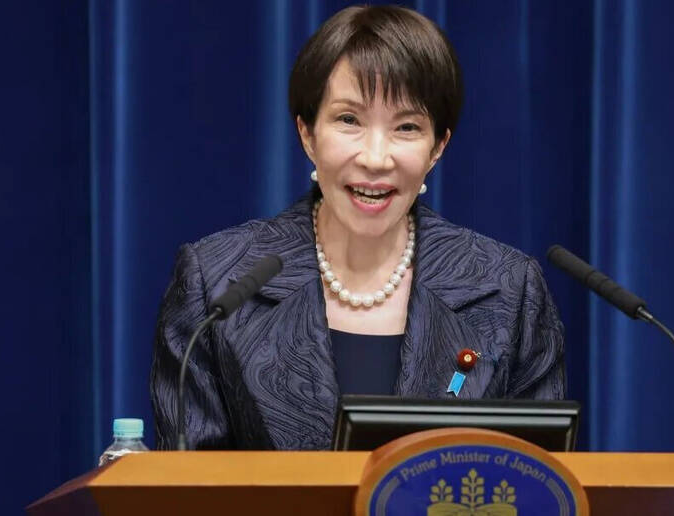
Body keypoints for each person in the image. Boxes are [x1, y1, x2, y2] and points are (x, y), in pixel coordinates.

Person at [151, 5, 565, 451]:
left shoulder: (508, 290)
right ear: (307, 133)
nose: (375, 158)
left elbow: (538, 474)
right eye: (349, 120)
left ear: (437, 148)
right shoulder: (217, 283)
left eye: (407, 127)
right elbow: (188, 480)